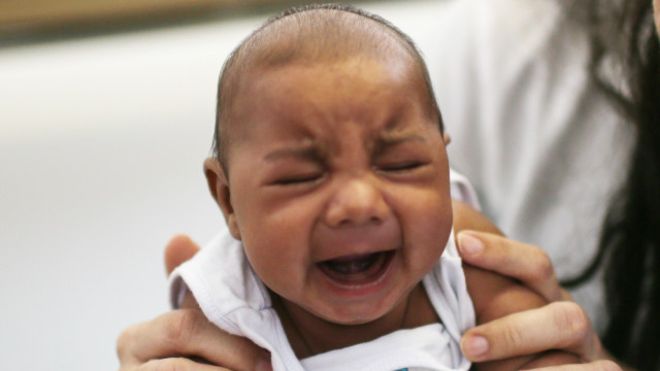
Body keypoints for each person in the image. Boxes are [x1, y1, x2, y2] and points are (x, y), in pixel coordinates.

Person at [117, 0, 659, 370]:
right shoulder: (228, 299)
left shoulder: (460, 261)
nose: (358, 204)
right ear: (228, 200)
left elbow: (549, 355)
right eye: (302, 177)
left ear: (446, 166)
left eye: (400, 165)